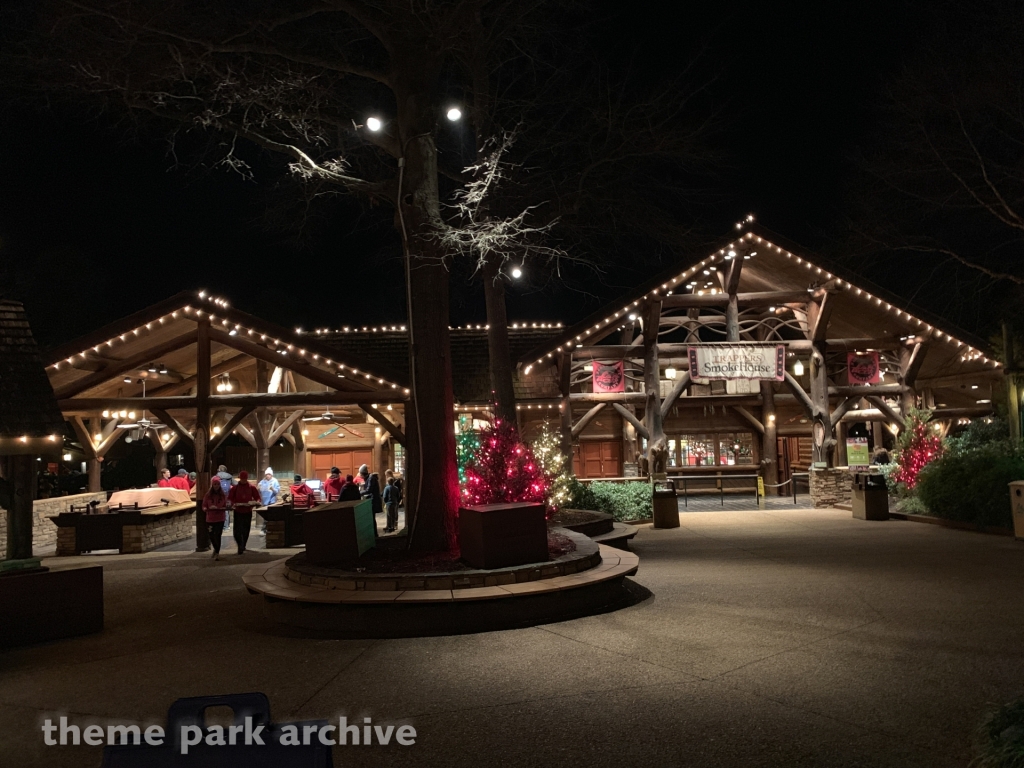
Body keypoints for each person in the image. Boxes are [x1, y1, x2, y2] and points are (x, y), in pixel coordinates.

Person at [228, 470, 261, 555]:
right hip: (238, 511)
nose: (243, 480)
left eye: (245, 479)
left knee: (246, 530)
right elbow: (230, 498)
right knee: (237, 531)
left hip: (247, 511)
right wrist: (233, 504)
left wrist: (255, 502)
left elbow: (257, 497)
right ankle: (240, 545)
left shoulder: (251, 487)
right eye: (242, 479)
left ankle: (243, 545)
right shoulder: (235, 488)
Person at [202, 480, 228, 561]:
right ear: (212, 485)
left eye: (217, 484)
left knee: (218, 535)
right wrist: (205, 509)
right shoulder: (208, 495)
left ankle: (217, 552)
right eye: (215, 484)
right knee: (211, 535)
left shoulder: (223, 495)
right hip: (210, 518)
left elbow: (225, 505)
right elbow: (204, 505)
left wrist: (221, 508)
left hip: (220, 518)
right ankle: (216, 549)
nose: (216, 486)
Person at [215, 465, 234, 530]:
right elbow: (236, 484)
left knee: (218, 510)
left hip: (218, 495)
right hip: (227, 495)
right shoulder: (229, 477)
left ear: (219, 470)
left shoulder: (216, 477)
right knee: (226, 510)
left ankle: (220, 525)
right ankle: (226, 526)